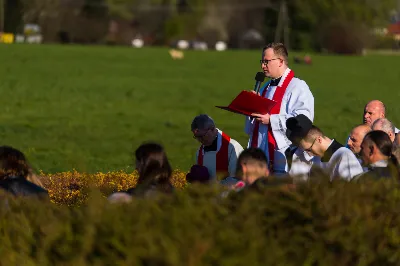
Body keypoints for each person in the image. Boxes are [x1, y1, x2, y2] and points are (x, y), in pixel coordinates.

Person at [245, 42, 314, 175]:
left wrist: (272, 120)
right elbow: (252, 127)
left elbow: (303, 120)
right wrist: (252, 107)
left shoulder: (298, 87)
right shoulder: (265, 87)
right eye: (262, 61)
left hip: (283, 158)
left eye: (266, 61)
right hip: (261, 151)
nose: (262, 66)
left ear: (280, 61)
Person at [286, 114, 363, 181]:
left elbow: (353, 189)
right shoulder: (317, 159)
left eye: (309, 149)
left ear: (319, 139)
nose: (308, 154)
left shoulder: (343, 155)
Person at [192, 114, 243, 180]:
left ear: (212, 129)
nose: (200, 140)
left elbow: (238, 180)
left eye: (202, 136)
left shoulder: (232, 147)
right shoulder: (199, 152)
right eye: (196, 137)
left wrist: (214, 187)